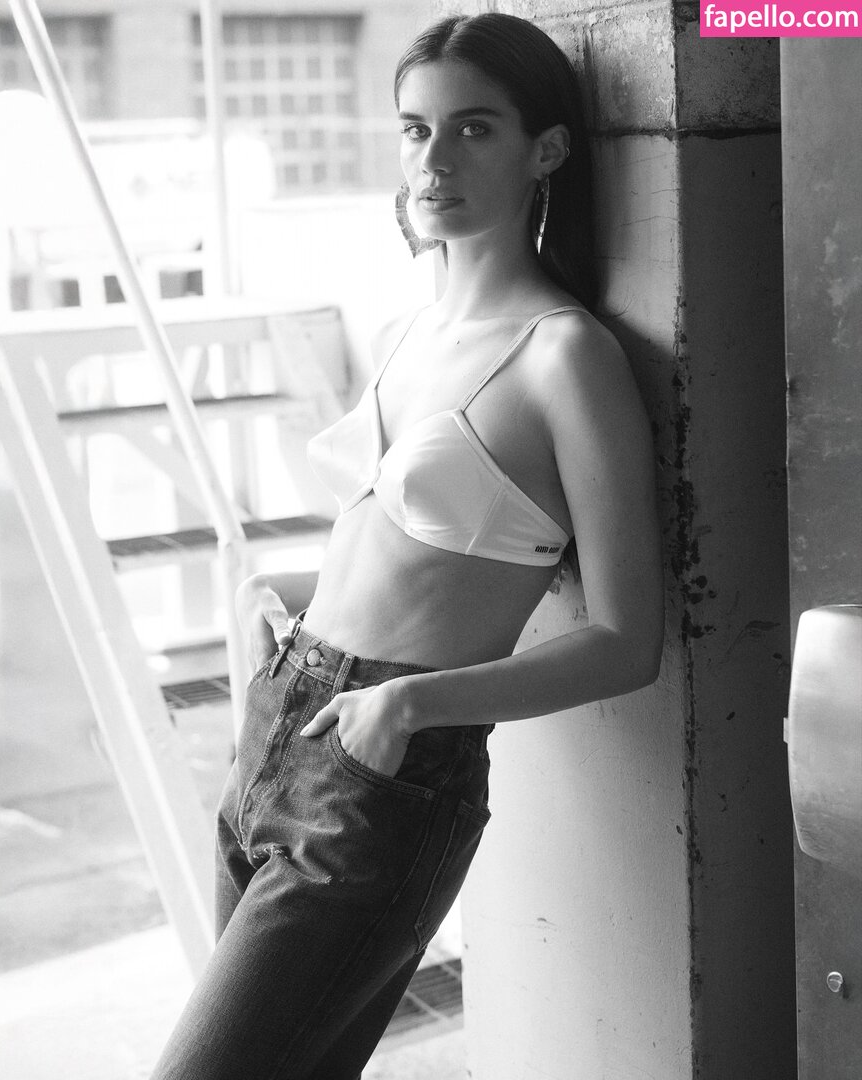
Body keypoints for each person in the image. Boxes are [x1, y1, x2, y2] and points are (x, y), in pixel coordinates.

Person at [152, 12, 663, 1079]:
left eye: (474, 129)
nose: (435, 161)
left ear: (547, 149)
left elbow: (627, 641)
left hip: (379, 774)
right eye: (415, 130)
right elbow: (400, 549)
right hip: (277, 727)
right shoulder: (408, 331)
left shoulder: (565, 356)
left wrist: (410, 705)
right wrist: (274, 605)